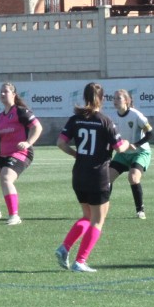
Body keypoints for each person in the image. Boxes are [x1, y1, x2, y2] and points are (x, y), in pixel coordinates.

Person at [54, 82, 126, 273]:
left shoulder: (75, 119)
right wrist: (126, 144)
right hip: (98, 175)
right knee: (97, 220)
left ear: (85, 97)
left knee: (87, 215)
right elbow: (119, 147)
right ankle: (80, 261)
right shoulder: (105, 121)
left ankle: (65, 247)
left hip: (79, 174)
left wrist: (75, 154)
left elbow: (60, 143)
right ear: (102, 99)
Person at [0, 82, 42, 226]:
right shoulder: (0, 117)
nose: (2, 94)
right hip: (3, 154)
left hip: (22, 153)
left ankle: (14, 215)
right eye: (0, 92)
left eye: (5, 91)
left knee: (6, 177)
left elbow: (37, 127)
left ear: (13, 94)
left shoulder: (21, 111)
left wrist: (28, 142)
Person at [108, 89, 153, 219]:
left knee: (133, 178)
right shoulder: (113, 118)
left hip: (140, 153)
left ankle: (140, 210)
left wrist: (137, 144)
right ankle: (102, 207)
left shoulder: (136, 115)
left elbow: (150, 133)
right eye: (114, 98)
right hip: (123, 154)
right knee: (106, 179)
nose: (115, 101)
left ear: (126, 101)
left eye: (118, 98)